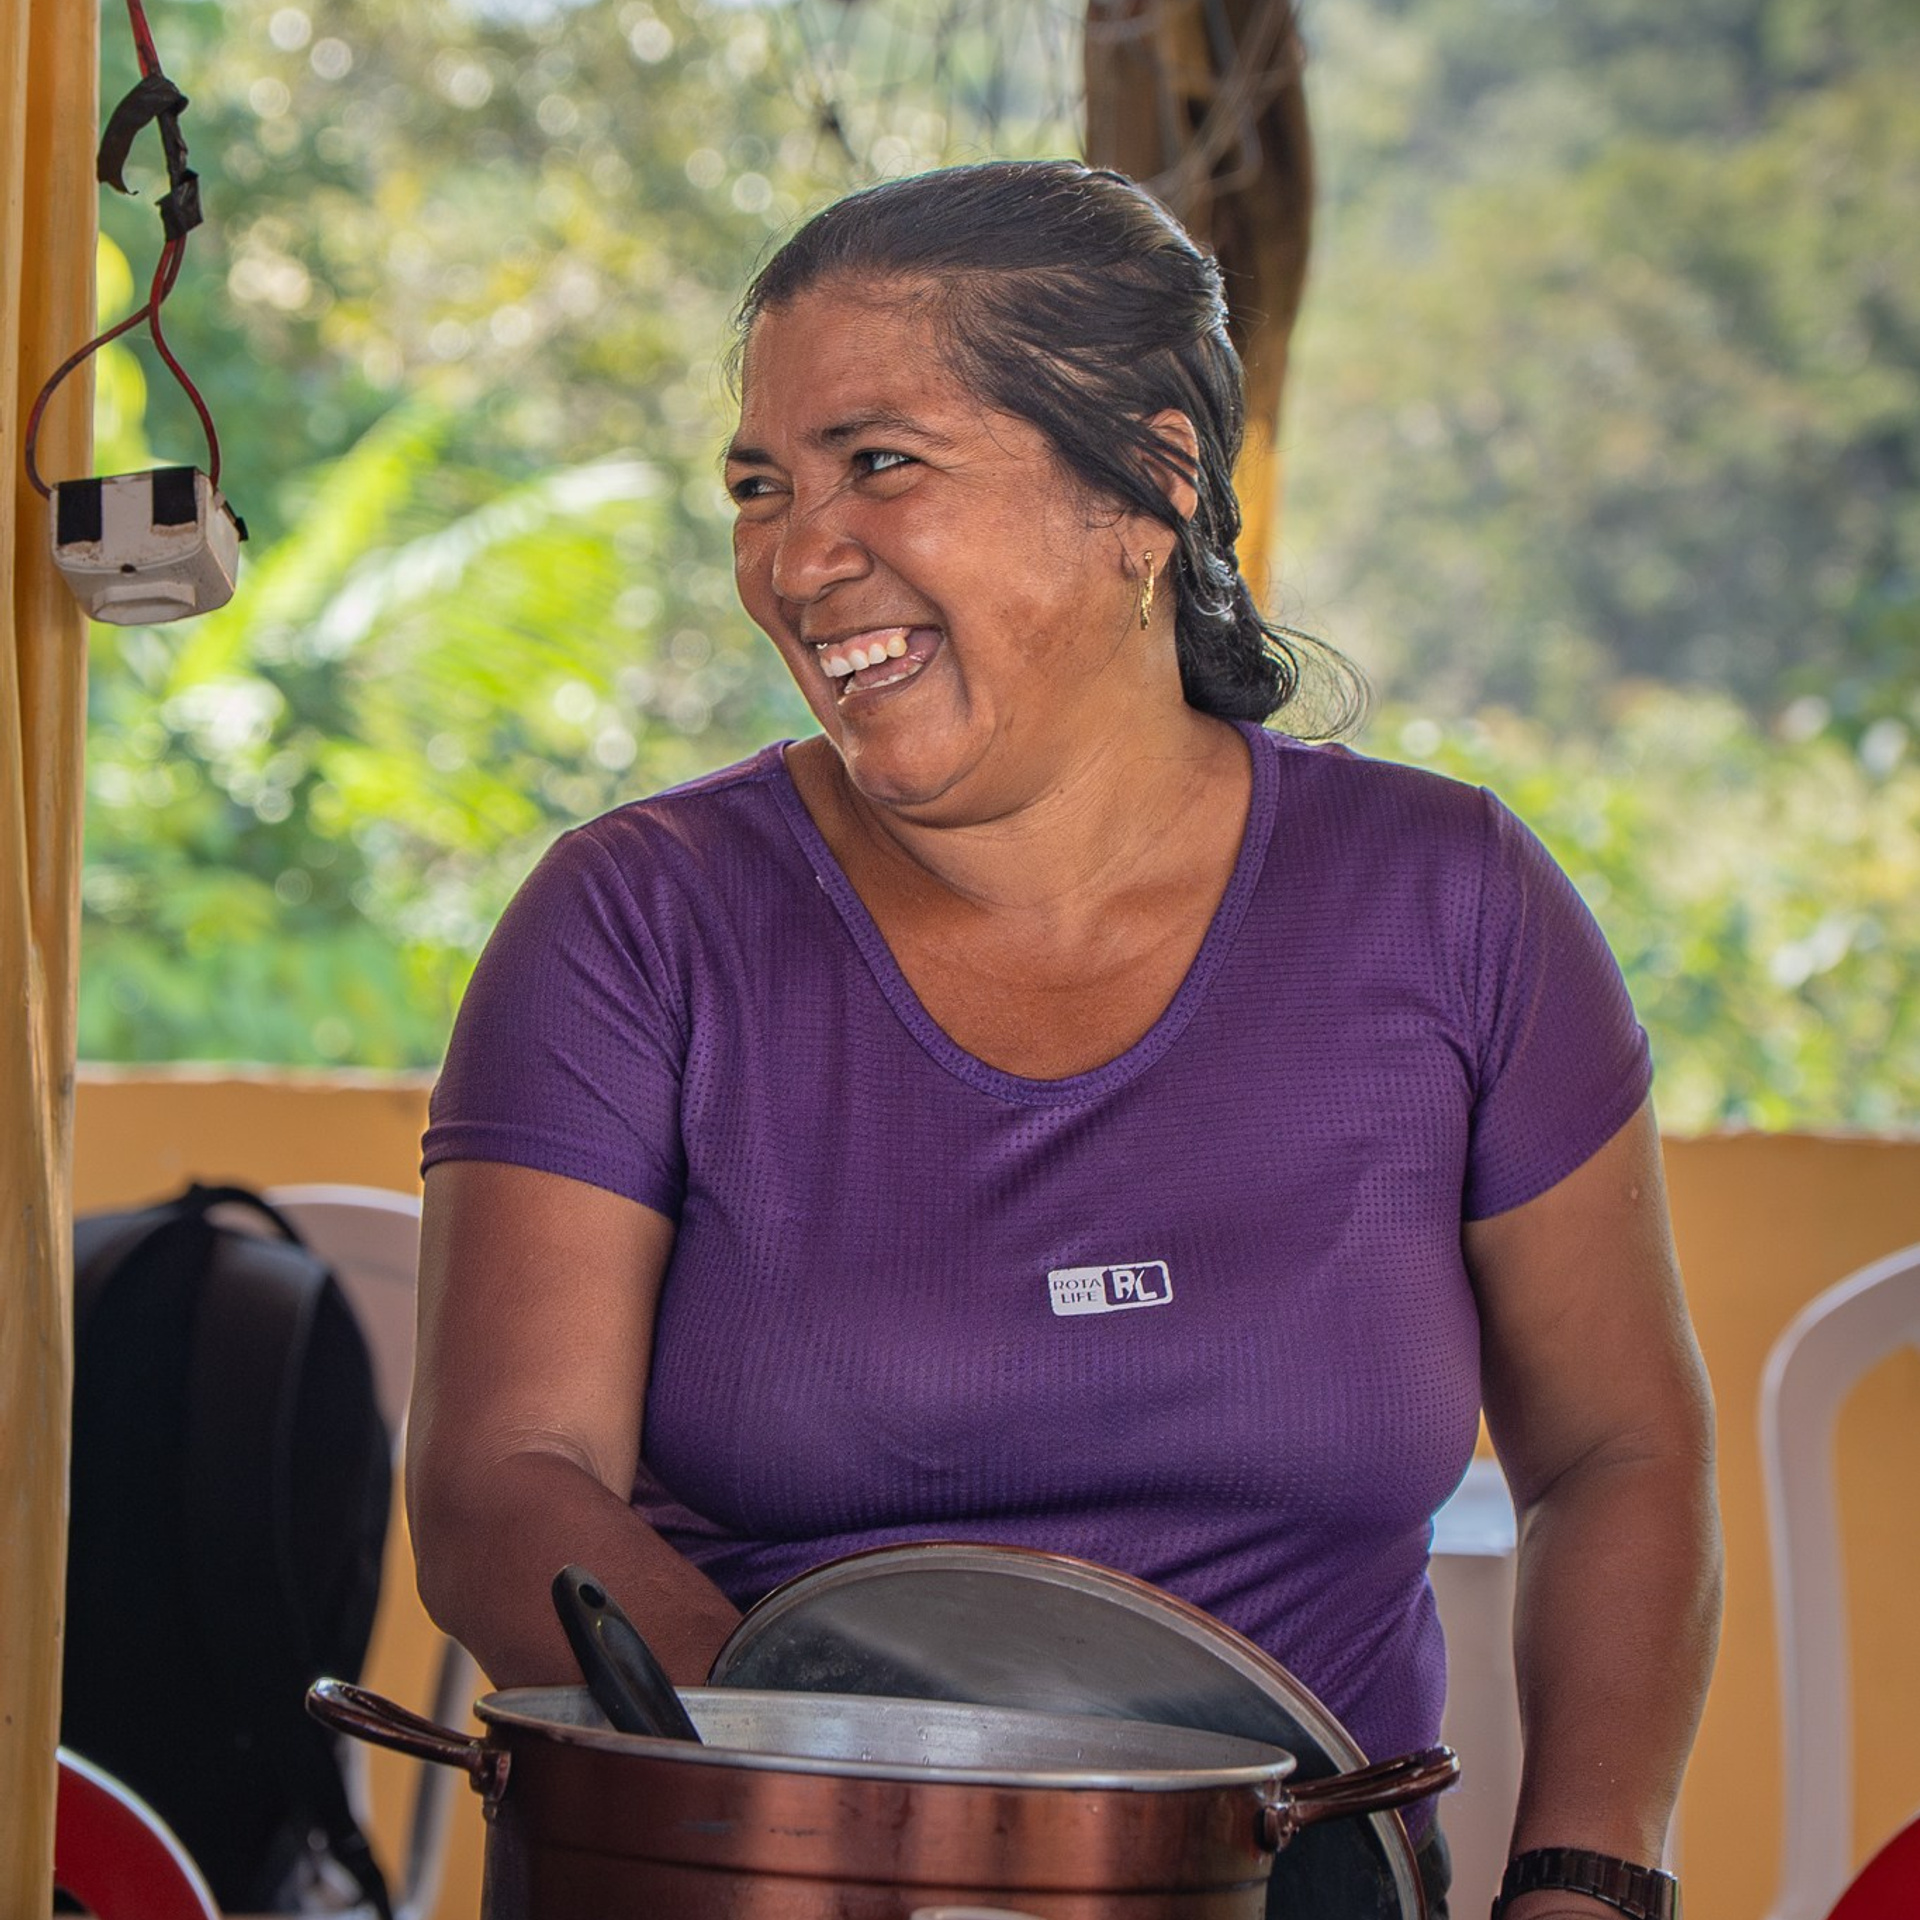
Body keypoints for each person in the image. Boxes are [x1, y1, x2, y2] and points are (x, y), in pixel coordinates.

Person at [407, 159, 1721, 1919]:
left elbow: (1618, 1455)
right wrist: (880, 1813)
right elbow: (502, 1482)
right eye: (759, 487)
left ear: (1152, 485)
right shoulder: (636, 922)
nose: (795, 559)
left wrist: (1584, 1883)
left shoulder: (1452, 903)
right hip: (768, 1876)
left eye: (881, 462)